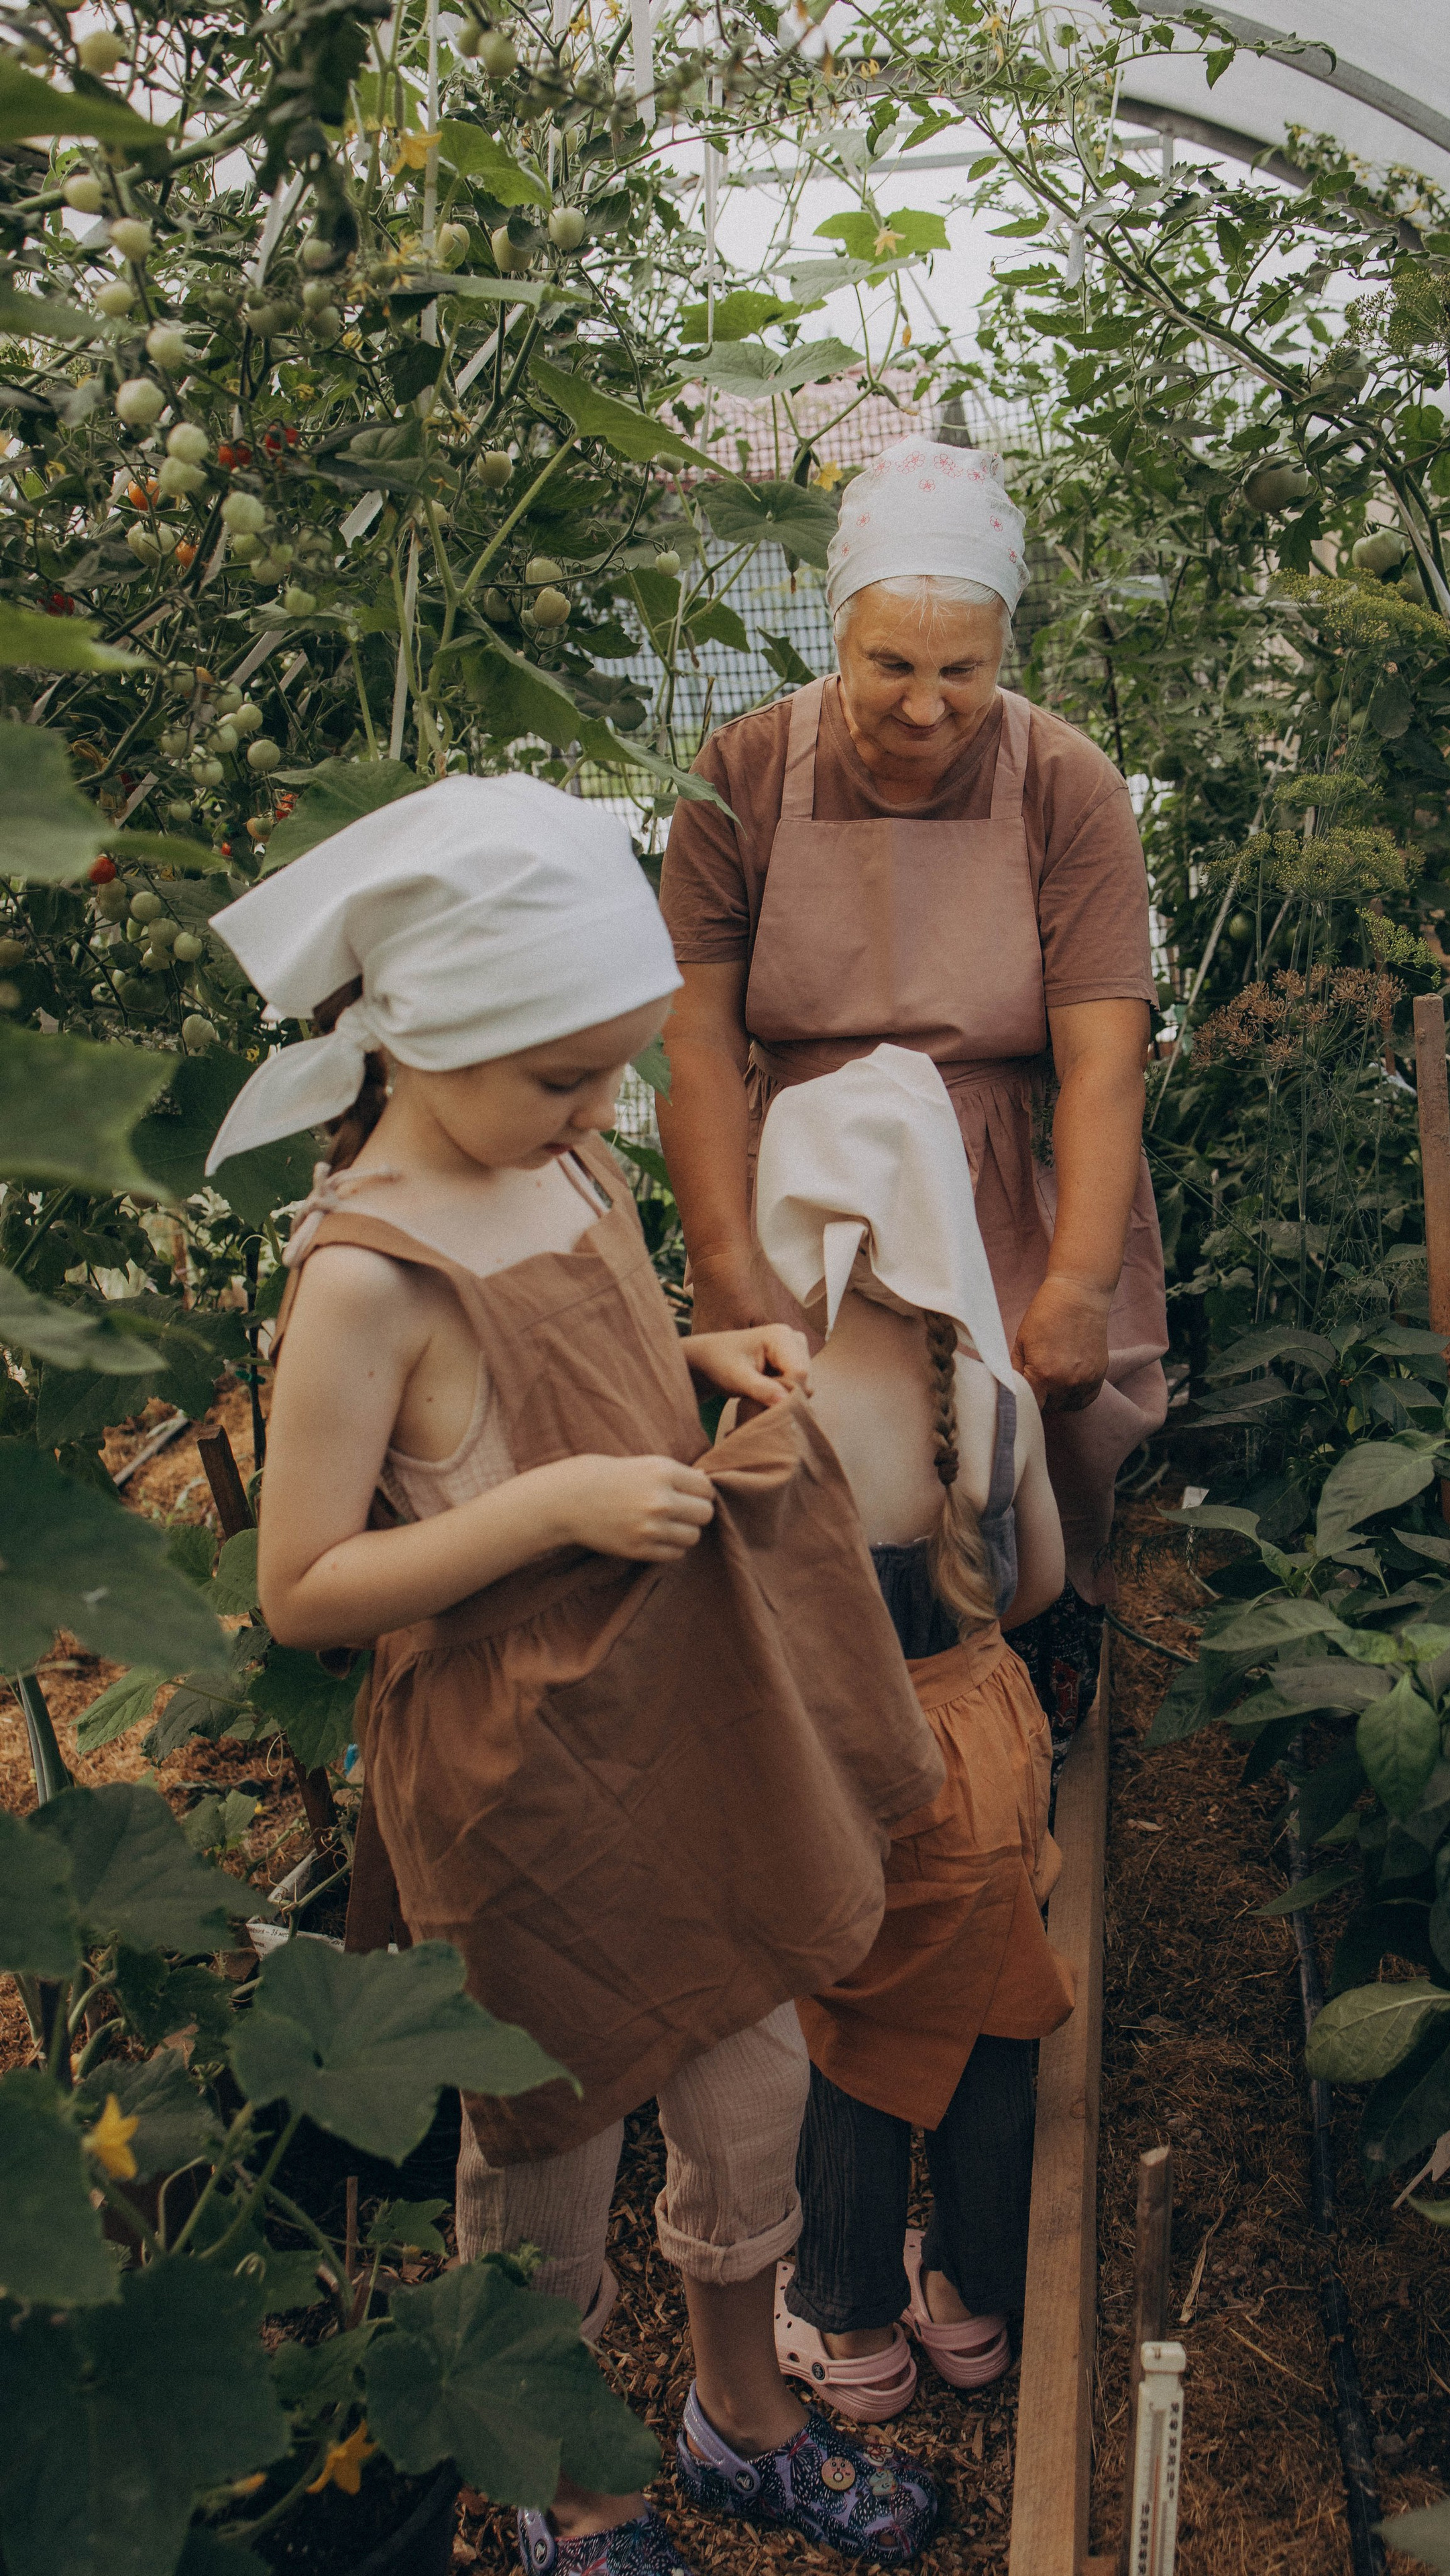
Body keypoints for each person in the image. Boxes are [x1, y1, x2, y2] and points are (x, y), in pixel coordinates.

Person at [215, 776, 944, 2576]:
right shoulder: (368, 1277)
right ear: (423, 1042)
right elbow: (303, 1586)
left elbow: (578, 1346)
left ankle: (738, 2413)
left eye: (613, 1073)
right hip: (522, 1774)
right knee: (546, 2139)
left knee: (752, 2081)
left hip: (689, 1704)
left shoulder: (554, 1160)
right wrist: (545, 1507)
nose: (602, 1113)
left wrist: (703, 1353)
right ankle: (571, 2490)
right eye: (564, 1079)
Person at [656, 434, 1169, 1758]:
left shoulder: (1065, 785)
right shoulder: (740, 776)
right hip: (806, 1171)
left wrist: (1075, 1282)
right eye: (891, 666)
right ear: (835, 635)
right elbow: (693, 1040)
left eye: (964, 672)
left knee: (1033, 1427)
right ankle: (826, 1706)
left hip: (995, 1162)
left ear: (1004, 652)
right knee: (816, 1441)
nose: (930, 708)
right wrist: (725, 1265)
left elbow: (1101, 1057)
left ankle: (1046, 1640)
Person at [750, 1044, 1074, 2420]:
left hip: (861, 1770)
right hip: (992, 1743)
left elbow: (757, 1637)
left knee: (853, 2027)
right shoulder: (995, 1397)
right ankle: (969, 2303)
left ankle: (848, 2323)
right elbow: (1042, 1583)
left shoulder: (789, 1413)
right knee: (995, 2007)